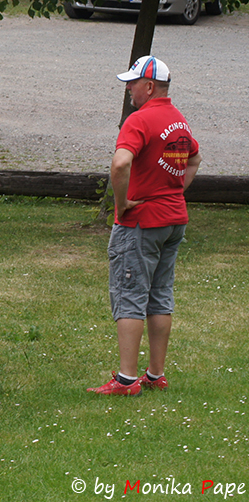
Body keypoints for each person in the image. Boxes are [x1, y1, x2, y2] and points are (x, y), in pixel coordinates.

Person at [88, 56, 201, 396]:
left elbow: (121, 162)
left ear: (149, 87)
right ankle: (155, 374)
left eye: (133, 83)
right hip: (173, 220)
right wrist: (175, 190)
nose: (128, 89)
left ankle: (126, 380)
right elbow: (194, 157)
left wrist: (121, 203)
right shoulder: (178, 120)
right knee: (160, 296)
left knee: (130, 296)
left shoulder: (140, 120)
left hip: (142, 222)